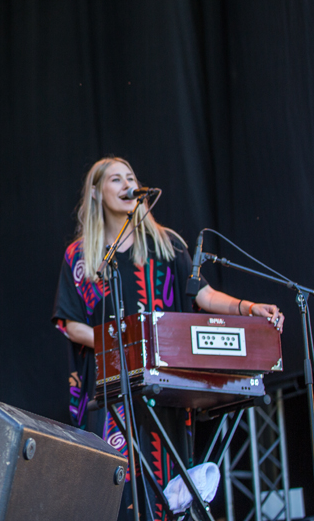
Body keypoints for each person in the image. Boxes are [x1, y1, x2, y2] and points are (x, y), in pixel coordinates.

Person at [51, 157, 284, 521]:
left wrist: (248, 308)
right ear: (96, 193)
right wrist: (128, 343)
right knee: (115, 486)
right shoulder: (80, 256)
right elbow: (71, 325)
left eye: (131, 177)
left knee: (167, 484)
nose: (128, 184)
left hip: (165, 382)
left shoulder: (165, 243)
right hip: (113, 387)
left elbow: (203, 295)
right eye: (116, 179)